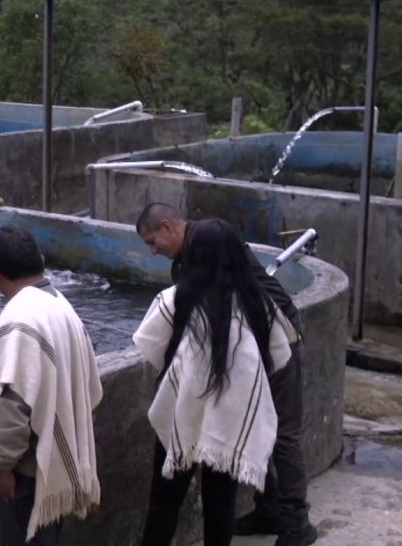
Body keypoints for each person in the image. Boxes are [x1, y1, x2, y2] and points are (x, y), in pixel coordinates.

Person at [135, 203, 318, 546]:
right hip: (249, 370)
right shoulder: (243, 296)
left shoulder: (185, 288)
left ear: (170, 228)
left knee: (284, 436)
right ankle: (270, 508)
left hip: (271, 347)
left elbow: (153, 347)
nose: (153, 250)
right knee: (222, 497)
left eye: (152, 241)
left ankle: (296, 522)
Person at [0, 225, 103, 546]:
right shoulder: (60, 303)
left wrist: (3, 467)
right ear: (40, 260)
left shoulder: (21, 319)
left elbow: (15, 405)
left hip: (28, 470)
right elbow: (88, 384)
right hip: (54, 453)